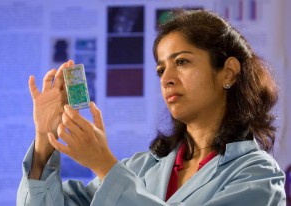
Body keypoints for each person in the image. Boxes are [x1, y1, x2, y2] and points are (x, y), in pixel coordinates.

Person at [17, 9, 286, 205]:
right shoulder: (141, 167)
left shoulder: (259, 176)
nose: (167, 79)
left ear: (228, 72)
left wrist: (105, 166)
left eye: (182, 62)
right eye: (161, 69)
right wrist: (44, 142)